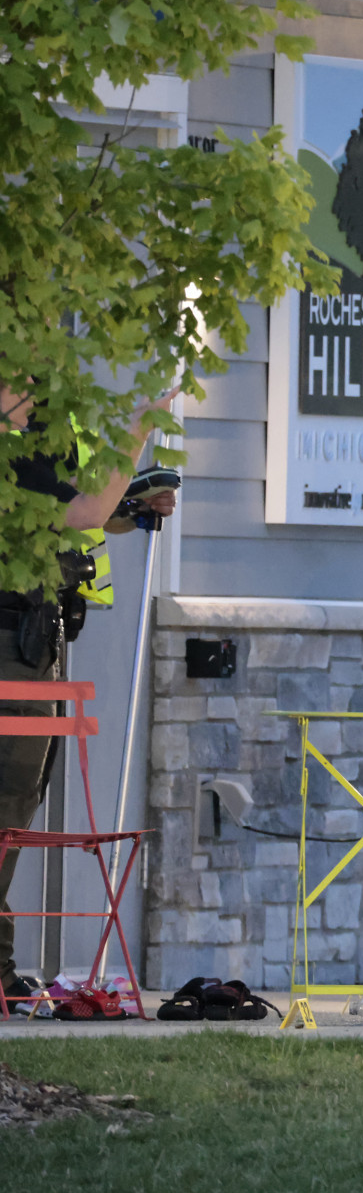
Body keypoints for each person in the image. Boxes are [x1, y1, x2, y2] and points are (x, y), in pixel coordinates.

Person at [2, 380, 178, 1011]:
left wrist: (131, 507)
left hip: (38, 637)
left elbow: (83, 507)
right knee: (6, 807)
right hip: (8, 638)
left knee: (16, 807)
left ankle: (0, 968)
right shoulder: (7, 438)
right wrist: (137, 429)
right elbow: (73, 511)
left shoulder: (50, 419)